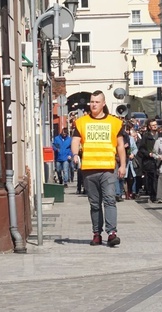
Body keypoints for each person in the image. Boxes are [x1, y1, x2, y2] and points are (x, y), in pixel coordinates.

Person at [71, 90, 126, 247]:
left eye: (96, 102)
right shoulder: (81, 122)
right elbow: (75, 140)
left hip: (108, 168)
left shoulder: (114, 123)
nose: (93, 104)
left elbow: (121, 145)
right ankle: (96, 233)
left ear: (103, 104)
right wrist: (75, 154)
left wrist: (122, 165)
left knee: (109, 200)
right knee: (95, 204)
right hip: (89, 169)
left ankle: (111, 233)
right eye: (92, 101)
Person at [137, 119, 160, 202]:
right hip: (149, 161)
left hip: (160, 160)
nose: (155, 126)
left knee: (158, 178)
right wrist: (148, 154)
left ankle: (158, 195)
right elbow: (141, 149)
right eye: (153, 125)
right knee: (152, 178)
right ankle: (153, 196)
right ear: (149, 127)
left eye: (155, 124)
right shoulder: (146, 136)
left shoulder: (160, 135)